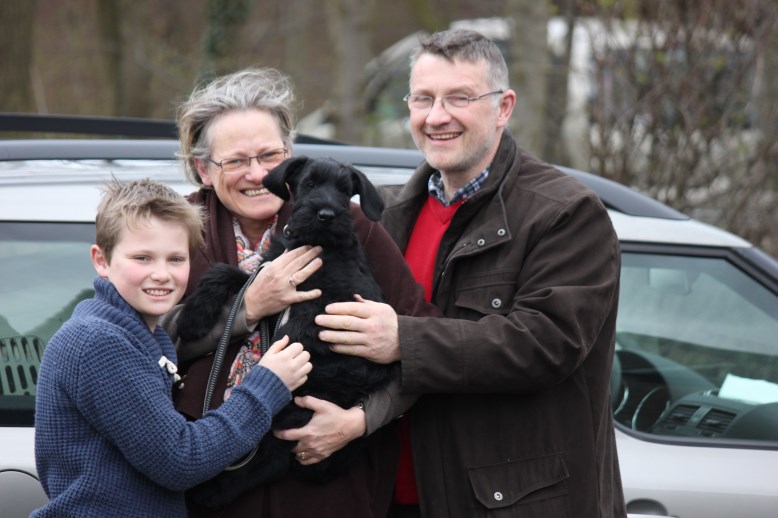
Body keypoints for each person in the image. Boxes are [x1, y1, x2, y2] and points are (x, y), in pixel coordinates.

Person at [313, 28, 628, 517]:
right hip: (385, 498)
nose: (437, 117)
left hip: (505, 504)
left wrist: (405, 340)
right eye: (423, 99)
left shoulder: (565, 213)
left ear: (503, 107)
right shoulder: (385, 215)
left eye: (459, 98)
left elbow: (545, 343)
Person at [168, 67, 437, 517]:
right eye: (235, 160)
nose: (256, 174)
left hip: (328, 493)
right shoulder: (175, 230)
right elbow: (141, 342)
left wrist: (359, 421)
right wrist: (248, 307)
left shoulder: (352, 227)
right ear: (203, 169)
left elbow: (426, 344)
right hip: (209, 490)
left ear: (290, 159)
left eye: (269, 155)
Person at [32, 178, 312, 517]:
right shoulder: (98, 342)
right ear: (101, 260)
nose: (162, 274)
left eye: (175, 259)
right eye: (143, 258)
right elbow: (181, 459)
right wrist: (266, 385)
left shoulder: (139, 335)